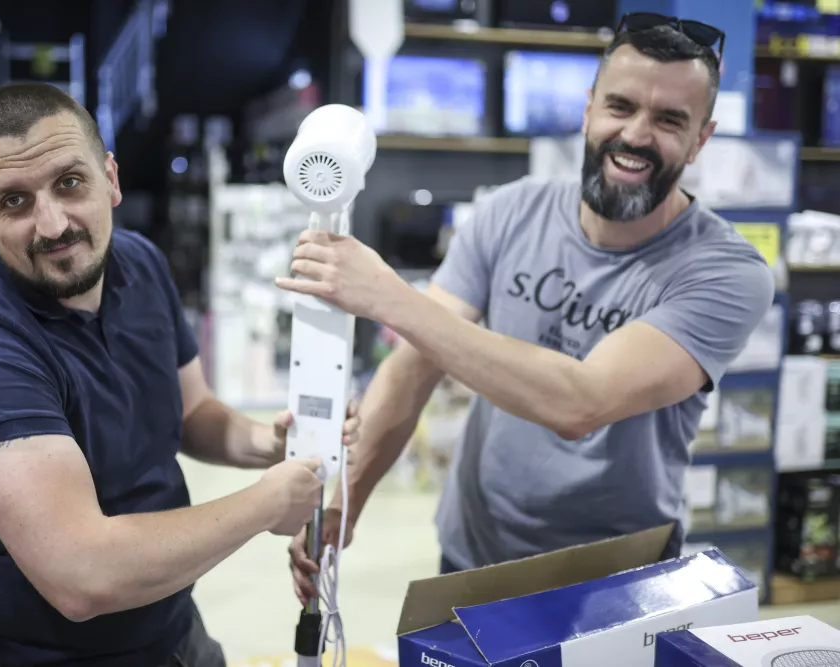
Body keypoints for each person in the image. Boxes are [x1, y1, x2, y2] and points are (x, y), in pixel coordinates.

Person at [281, 16, 775, 603]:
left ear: (701, 138)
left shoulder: (726, 271)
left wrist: (390, 297)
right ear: (589, 109)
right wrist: (347, 503)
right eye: (620, 106)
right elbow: (414, 369)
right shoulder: (511, 212)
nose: (637, 135)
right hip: (472, 557)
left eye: (670, 120)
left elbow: (581, 402)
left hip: (616, 579)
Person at [0, 82, 360, 667]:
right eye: (14, 202)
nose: (51, 225)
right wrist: (265, 506)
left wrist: (273, 444)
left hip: (173, 632)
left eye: (69, 183)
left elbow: (191, 413)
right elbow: (83, 575)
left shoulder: (139, 266)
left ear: (111, 179)